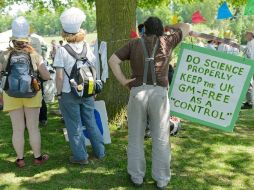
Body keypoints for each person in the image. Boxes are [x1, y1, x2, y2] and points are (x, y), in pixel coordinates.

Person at [109, 16, 191, 189]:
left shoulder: (134, 43)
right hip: (159, 94)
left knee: (135, 137)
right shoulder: (168, 41)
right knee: (161, 137)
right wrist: (170, 26)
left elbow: (113, 60)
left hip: (137, 93)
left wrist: (124, 81)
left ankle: (137, 176)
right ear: (161, 29)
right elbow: (187, 26)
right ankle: (161, 179)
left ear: (144, 29)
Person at [54, 7, 105, 165]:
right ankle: (100, 152)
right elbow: (94, 68)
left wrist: (58, 93)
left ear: (64, 32)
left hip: (69, 92)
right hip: (88, 90)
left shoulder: (62, 51)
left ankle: (81, 157)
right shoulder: (87, 47)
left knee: (73, 124)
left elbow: (60, 76)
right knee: (90, 121)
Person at [0, 16, 51, 168]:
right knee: (33, 128)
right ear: (27, 39)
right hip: (32, 94)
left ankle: (20, 159)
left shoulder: (4, 55)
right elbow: (47, 75)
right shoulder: (35, 55)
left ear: (13, 39)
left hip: (11, 94)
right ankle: (37, 157)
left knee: (17, 129)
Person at [242, 31, 254, 109]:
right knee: (248, 83)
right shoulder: (249, 42)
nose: (245, 36)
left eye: (246, 35)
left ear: (250, 35)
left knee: (249, 83)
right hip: (249, 64)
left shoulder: (252, 43)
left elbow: (250, 54)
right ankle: (249, 101)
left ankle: (250, 102)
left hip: (251, 64)